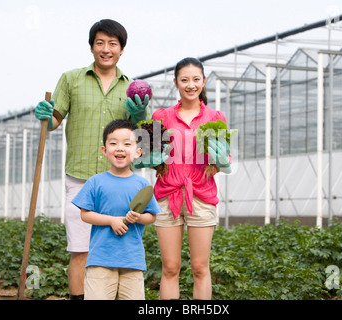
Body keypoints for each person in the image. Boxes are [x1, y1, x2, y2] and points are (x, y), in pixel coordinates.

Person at [33, 19, 150, 300]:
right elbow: (54, 121)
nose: (106, 49)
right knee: (81, 248)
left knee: (118, 245)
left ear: (122, 49)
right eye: (100, 43)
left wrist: (140, 116)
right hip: (81, 176)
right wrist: (45, 116)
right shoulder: (71, 79)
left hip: (119, 180)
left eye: (113, 43)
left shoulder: (134, 88)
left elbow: (145, 139)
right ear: (91, 47)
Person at [136, 57, 231, 299]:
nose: (191, 85)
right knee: (170, 268)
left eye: (196, 79)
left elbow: (224, 159)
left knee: (200, 267)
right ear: (176, 82)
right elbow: (145, 154)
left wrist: (222, 159)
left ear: (203, 82)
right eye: (185, 80)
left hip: (201, 195)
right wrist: (147, 154)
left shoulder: (214, 116)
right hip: (167, 195)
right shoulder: (162, 116)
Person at [71, 119, 161, 300]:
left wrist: (139, 218)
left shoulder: (142, 184)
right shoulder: (95, 182)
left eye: (127, 144)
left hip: (132, 261)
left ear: (138, 152)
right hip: (100, 261)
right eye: (113, 143)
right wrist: (111, 220)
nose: (120, 148)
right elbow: (85, 214)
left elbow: (151, 216)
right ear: (104, 150)